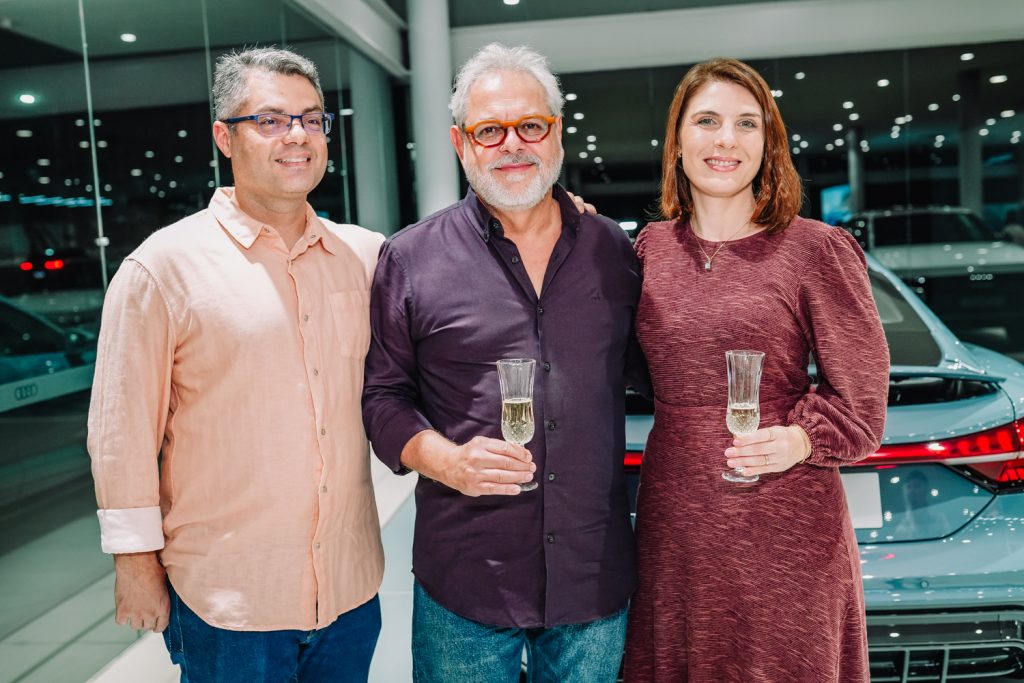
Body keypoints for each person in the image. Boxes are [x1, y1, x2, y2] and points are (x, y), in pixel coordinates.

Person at [87, 47, 385, 682]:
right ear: (224, 136)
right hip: (229, 605)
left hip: (350, 591)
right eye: (271, 120)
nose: (297, 136)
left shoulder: (365, 256)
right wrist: (135, 564)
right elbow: (121, 436)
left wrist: (549, 215)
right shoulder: (162, 268)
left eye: (311, 118)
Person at [362, 43, 645, 682]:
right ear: (462, 143)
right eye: (490, 131)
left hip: (591, 571)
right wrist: (445, 459)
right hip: (467, 573)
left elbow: (653, 369)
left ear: (557, 135)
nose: (512, 144)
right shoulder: (411, 259)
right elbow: (381, 396)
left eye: (530, 126)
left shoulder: (612, 249)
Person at [622, 58, 889, 682]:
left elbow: (863, 401)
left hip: (783, 515)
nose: (726, 140)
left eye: (747, 124)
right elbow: (625, 367)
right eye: (707, 120)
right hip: (675, 516)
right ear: (678, 140)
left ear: (768, 144)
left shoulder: (816, 249)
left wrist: (799, 437)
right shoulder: (647, 250)